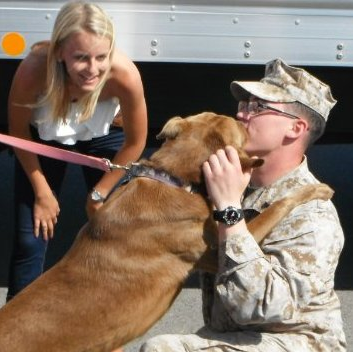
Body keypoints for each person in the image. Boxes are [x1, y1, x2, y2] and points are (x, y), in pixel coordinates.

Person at [139, 59, 346, 351]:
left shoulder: (312, 212)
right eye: (245, 104)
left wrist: (229, 212)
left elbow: (260, 308)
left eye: (258, 108)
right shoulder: (239, 184)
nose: (241, 113)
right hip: (238, 337)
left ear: (296, 128)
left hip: (297, 343)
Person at [6, 1, 147, 301]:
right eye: (81, 57)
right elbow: (18, 135)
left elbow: (135, 143)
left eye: (101, 57)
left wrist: (100, 193)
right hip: (43, 141)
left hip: (106, 137)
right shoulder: (33, 70)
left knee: (114, 235)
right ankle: (13, 334)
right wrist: (43, 193)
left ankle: (106, 330)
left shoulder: (124, 75)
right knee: (30, 240)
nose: (92, 69)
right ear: (59, 52)